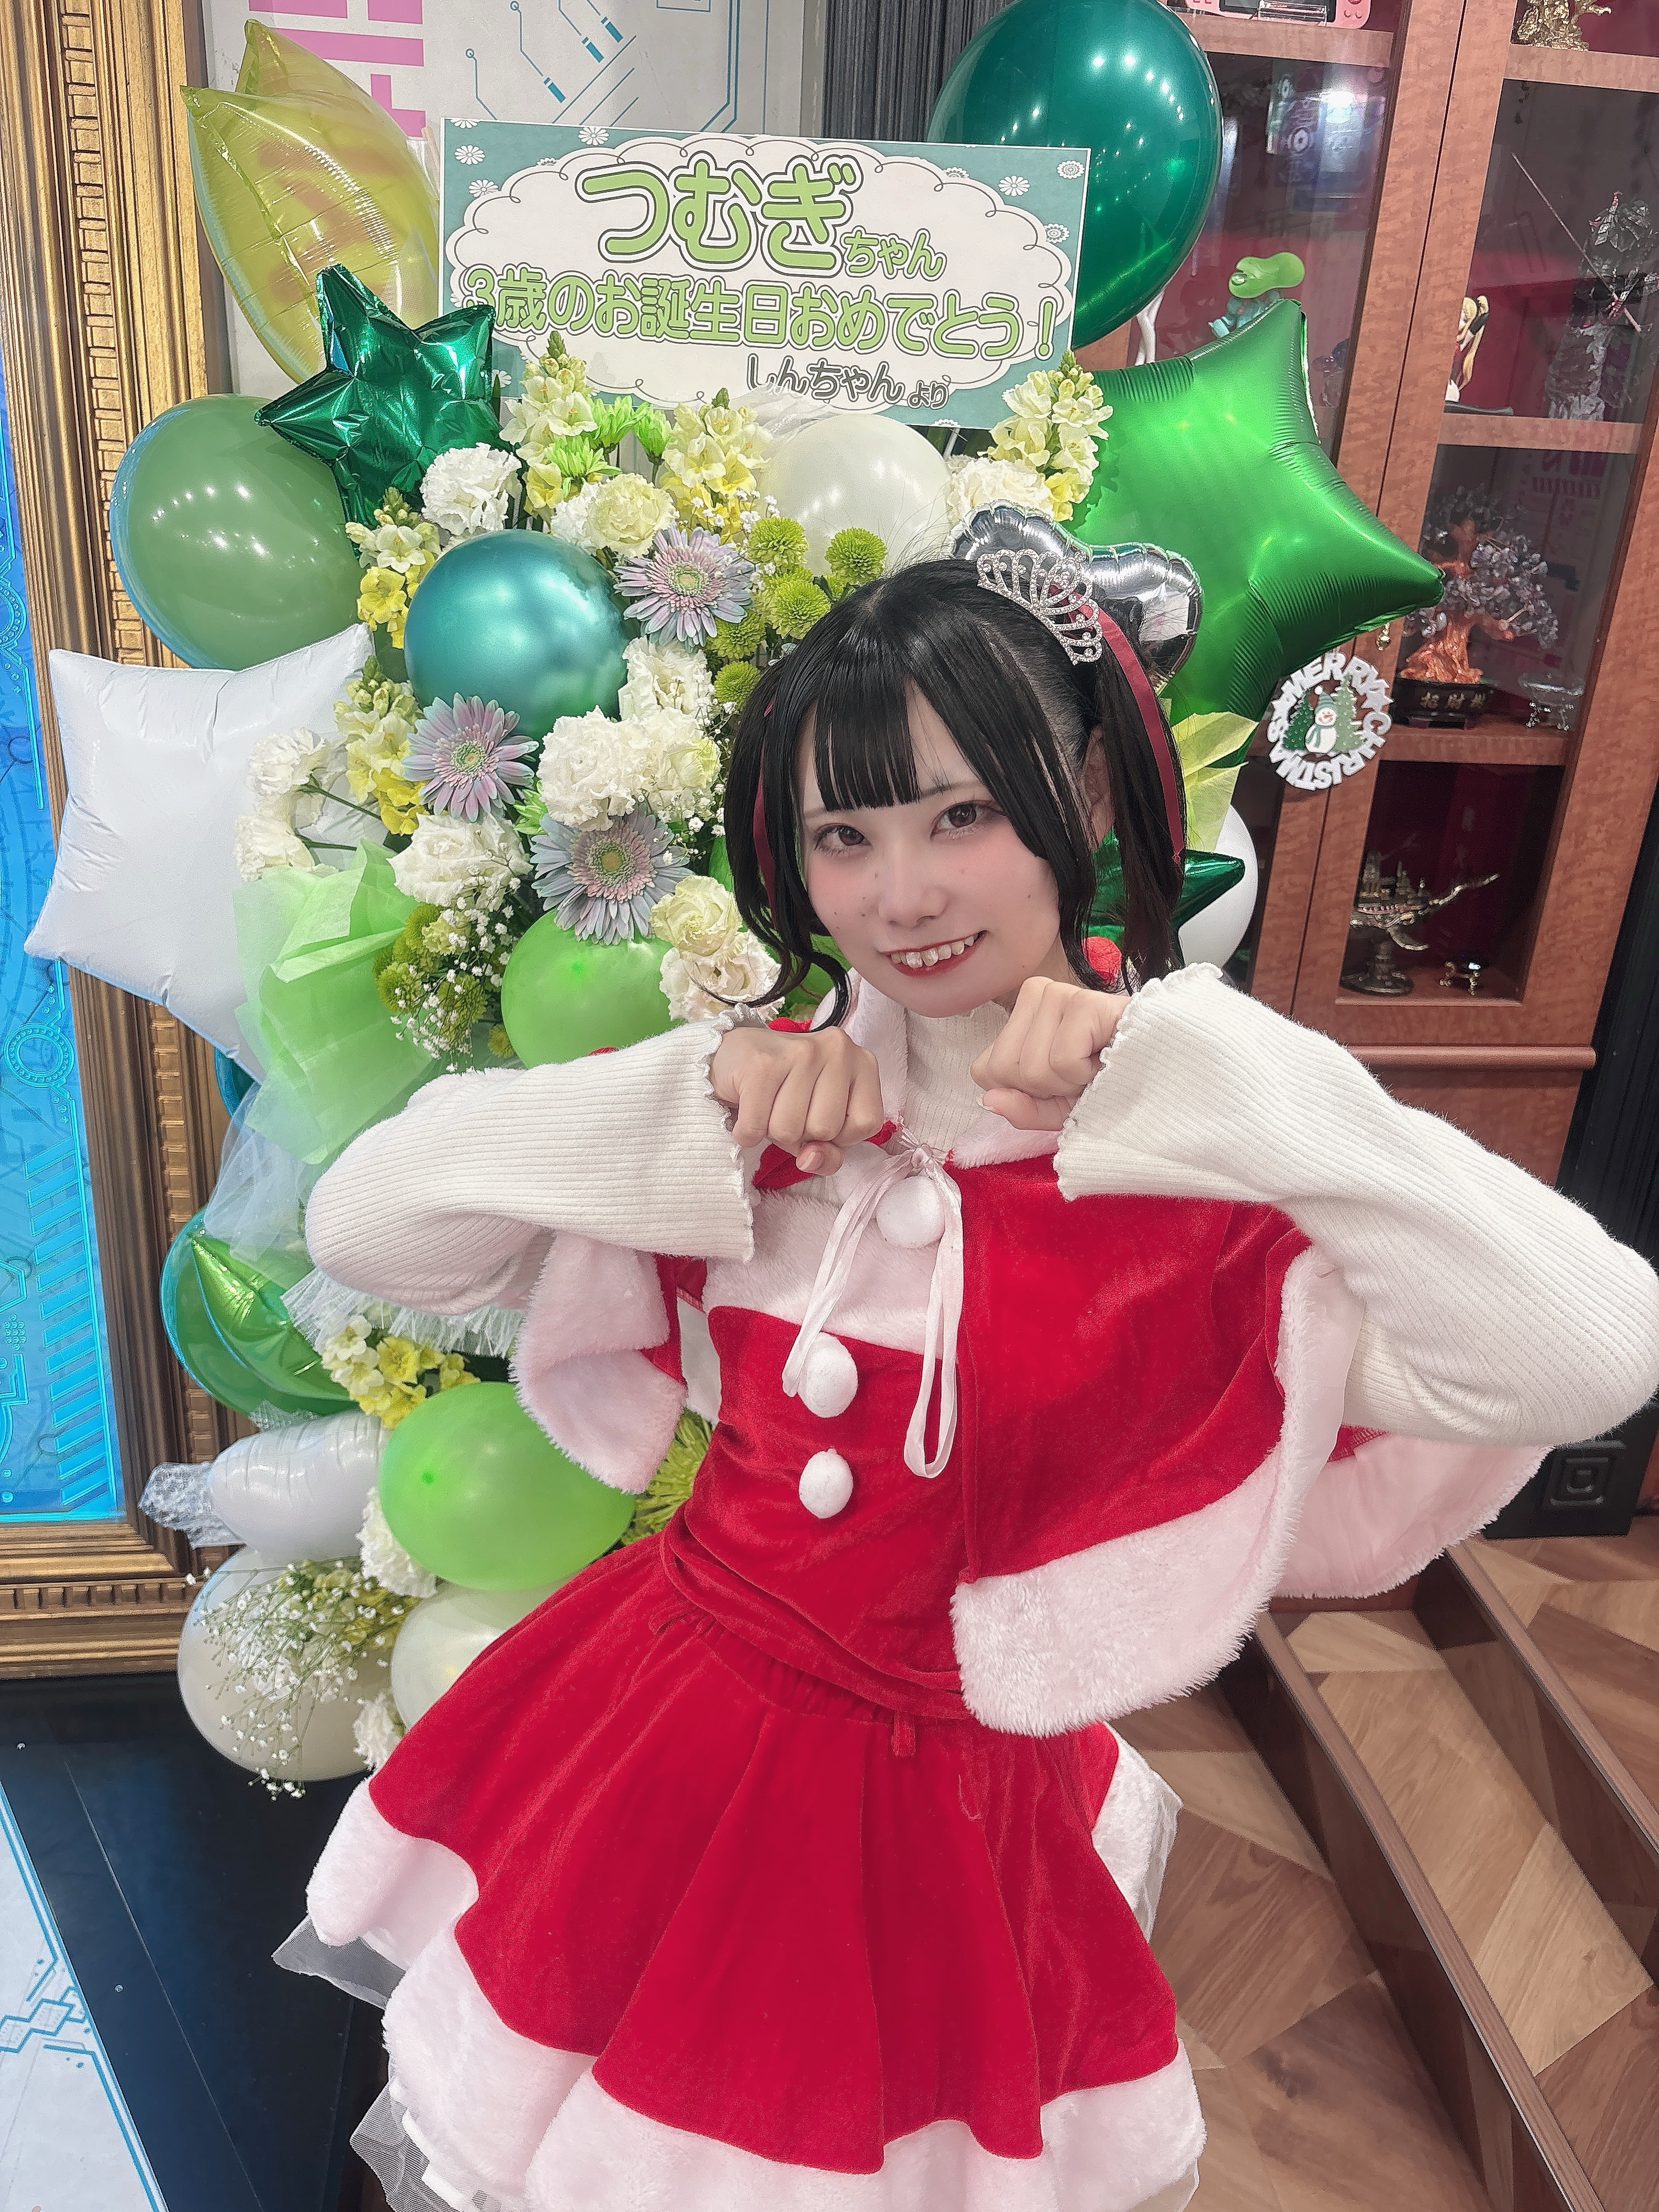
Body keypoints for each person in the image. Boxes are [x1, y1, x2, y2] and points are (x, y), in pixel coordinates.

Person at [284, 532, 1659, 2212]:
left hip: (942, 1824)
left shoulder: (1198, 1183)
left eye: (961, 816)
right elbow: (366, 1227)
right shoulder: (756, 1116)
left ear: (1084, 794)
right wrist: (676, 1095)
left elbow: (1594, 1352)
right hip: (656, 1738)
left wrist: (1208, 1063)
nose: (903, 897)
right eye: (843, 837)